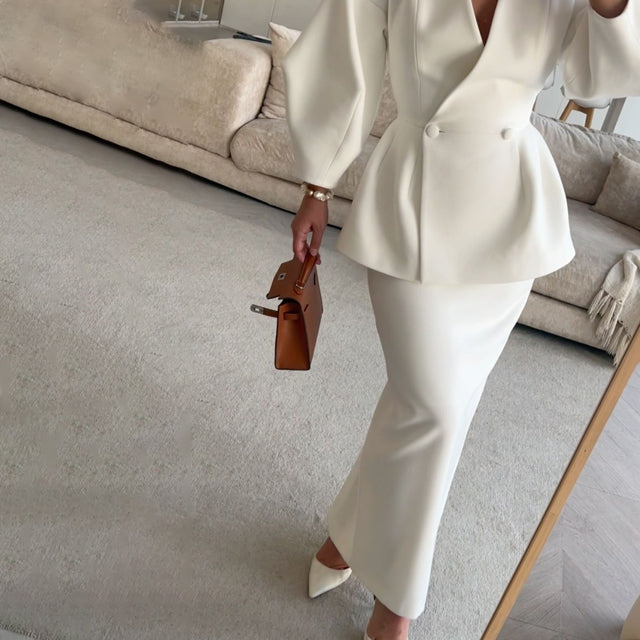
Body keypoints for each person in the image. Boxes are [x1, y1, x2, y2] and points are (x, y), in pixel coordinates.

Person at [281, 1, 640, 639]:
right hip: (410, 201)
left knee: (429, 408)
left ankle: (346, 538)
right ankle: (397, 608)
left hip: (506, 218)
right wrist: (317, 184)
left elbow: (598, 79)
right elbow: (343, 53)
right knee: (434, 406)